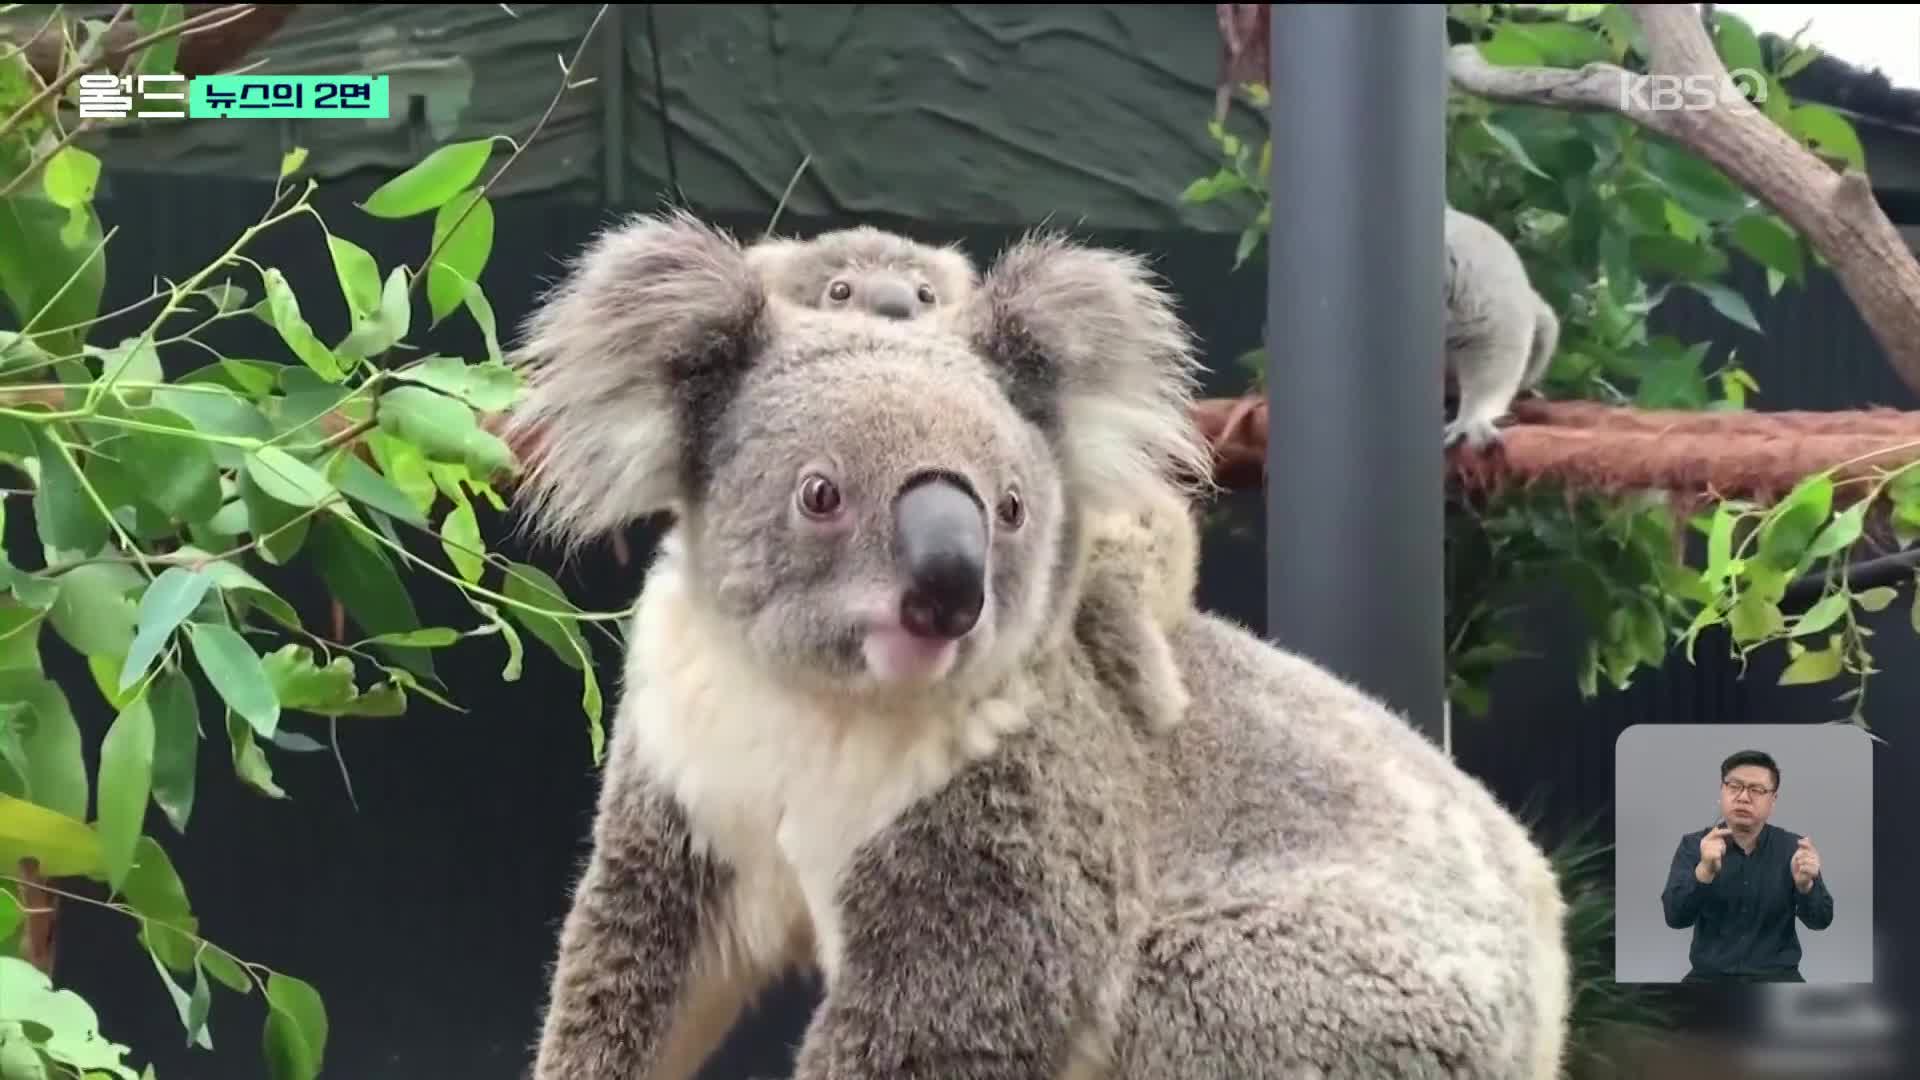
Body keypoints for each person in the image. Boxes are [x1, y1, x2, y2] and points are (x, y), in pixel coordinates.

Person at [1660, 749, 1834, 982]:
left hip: (1778, 978)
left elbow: (1821, 921)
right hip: (1709, 978)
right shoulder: (1694, 845)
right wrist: (1704, 871)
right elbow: (1675, 918)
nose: (1743, 797)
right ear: (1721, 791)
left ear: (1773, 800)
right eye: (1734, 786)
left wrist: (1806, 886)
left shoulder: (1794, 848)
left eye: (1756, 790)